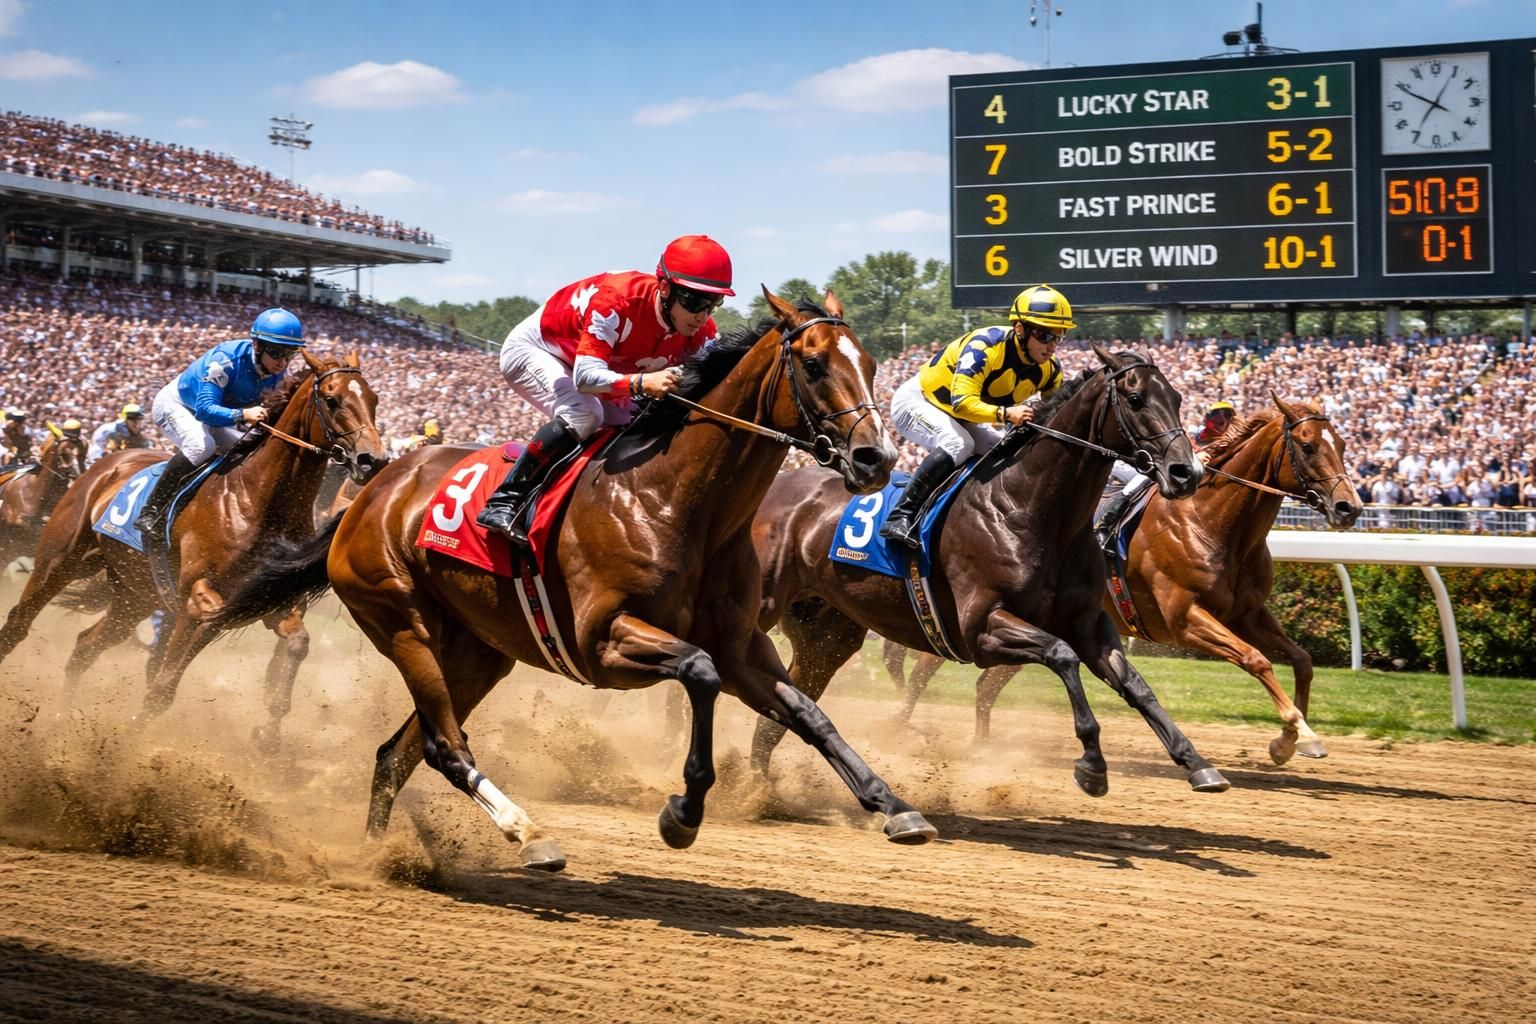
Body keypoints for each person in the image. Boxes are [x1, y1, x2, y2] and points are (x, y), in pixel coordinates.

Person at [476, 234, 733, 545]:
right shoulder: (616, 299)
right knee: (585, 413)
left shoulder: (702, 331)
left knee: (637, 425)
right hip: (540, 351)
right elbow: (586, 379)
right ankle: (504, 500)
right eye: (693, 302)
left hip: (601, 366)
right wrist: (642, 383)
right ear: (664, 288)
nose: (702, 315)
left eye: (713, 304)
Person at [878, 284, 1072, 549]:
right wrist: (1006, 414)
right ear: (1019, 329)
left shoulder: (1050, 371)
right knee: (959, 444)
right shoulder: (985, 347)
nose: (1051, 346)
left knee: (1006, 451)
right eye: (1044, 336)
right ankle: (901, 516)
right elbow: (961, 404)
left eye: (1058, 337)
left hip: (967, 415)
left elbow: (1060, 414)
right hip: (919, 401)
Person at [133, 308, 306, 548]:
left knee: (247, 452)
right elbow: (205, 410)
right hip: (179, 405)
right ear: (257, 345)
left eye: (291, 354)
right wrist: (244, 414)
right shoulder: (224, 361)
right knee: (202, 445)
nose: (283, 362)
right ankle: (151, 511)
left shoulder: (277, 372)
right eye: (277, 352)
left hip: (216, 415)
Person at [1097, 398, 1238, 546]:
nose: (1222, 418)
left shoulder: (1230, 443)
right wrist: (1196, 455)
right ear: (1209, 417)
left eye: (1227, 414)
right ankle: (1108, 520)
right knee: (1142, 479)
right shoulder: (1194, 434)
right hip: (1173, 472)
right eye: (1218, 413)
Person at [87, 402, 153, 465]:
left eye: (139, 419)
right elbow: (96, 444)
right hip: (104, 460)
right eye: (132, 419)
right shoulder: (109, 429)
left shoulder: (141, 432)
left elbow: (146, 448)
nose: (136, 422)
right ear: (125, 418)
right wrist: (100, 457)